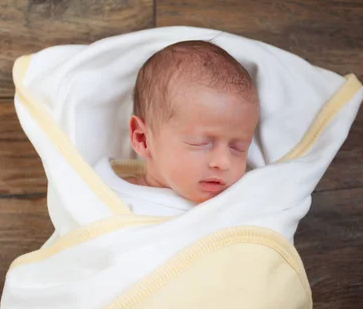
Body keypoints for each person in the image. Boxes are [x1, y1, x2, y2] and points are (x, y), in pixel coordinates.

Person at [93, 40, 260, 216]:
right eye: (200, 143)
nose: (223, 162)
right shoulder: (101, 193)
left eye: (238, 147)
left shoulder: (242, 204)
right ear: (143, 139)